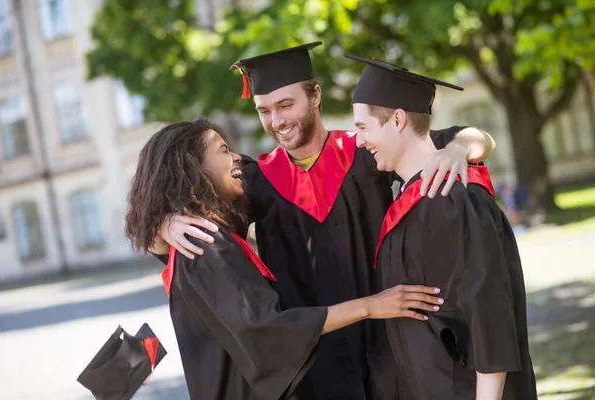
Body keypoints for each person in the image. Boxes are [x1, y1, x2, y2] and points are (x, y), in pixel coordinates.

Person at [152, 42, 496, 399]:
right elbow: (184, 208)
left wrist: (457, 148)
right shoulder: (257, 179)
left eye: (286, 105)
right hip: (312, 363)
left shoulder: (365, 151)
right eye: (264, 110)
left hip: (390, 343)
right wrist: (165, 225)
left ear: (315, 96)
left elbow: (475, 137)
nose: (277, 121)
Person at [124, 118, 446, 400]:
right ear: (190, 167)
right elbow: (267, 330)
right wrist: (371, 306)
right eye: (223, 150)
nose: (236, 157)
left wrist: (460, 148)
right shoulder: (205, 243)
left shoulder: (208, 231)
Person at [348, 54, 537, 399]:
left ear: (399, 120)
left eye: (363, 127)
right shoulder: (415, 195)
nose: (358, 141)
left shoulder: (451, 198)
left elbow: (488, 313)